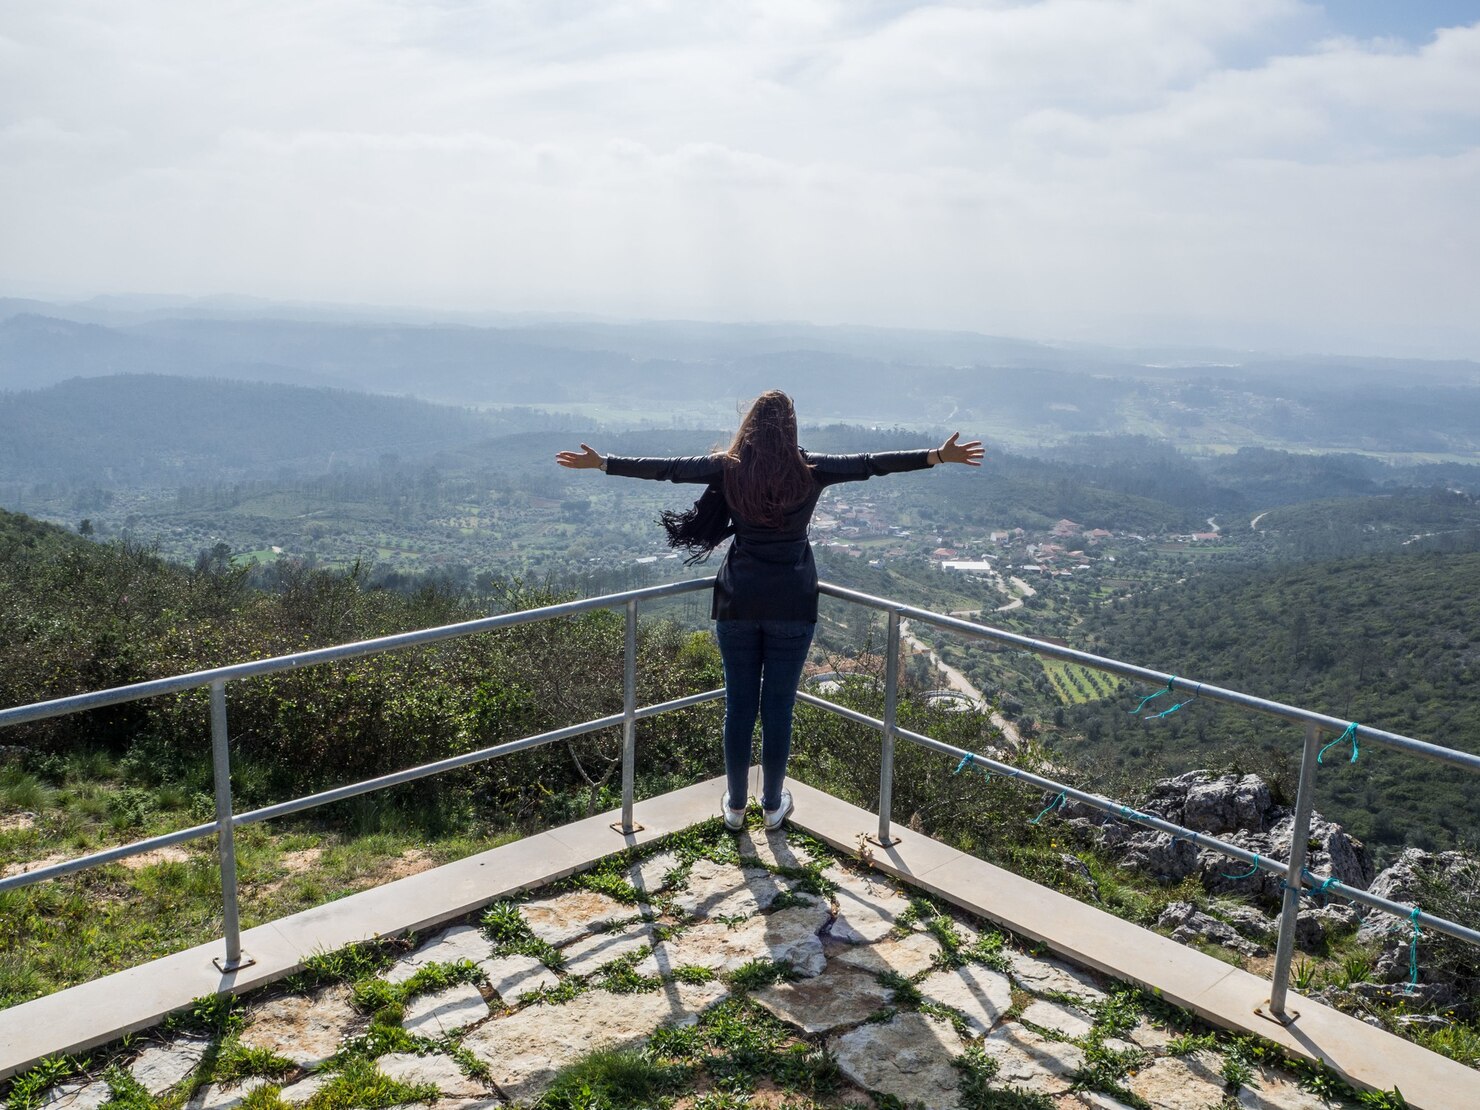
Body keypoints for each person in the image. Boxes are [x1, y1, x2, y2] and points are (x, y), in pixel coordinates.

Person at [556, 390, 983, 832]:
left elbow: (667, 470)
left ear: (750, 426)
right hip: (793, 604)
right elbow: (871, 463)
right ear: (792, 426)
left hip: (738, 600)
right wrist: (936, 455)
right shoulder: (811, 470)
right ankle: (773, 805)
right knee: (778, 709)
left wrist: (604, 462)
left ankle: (736, 807)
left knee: (739, 708)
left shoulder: (729, 468)